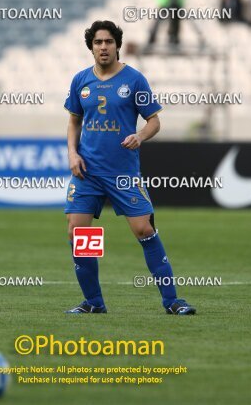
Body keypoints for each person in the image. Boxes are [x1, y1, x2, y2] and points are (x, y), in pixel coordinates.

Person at [64, 20, 196, 315]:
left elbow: (154, 121)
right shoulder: (80, 81)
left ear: (117, 45)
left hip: (123, 173)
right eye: (98, 42)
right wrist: (72, 153)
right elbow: (73, 121)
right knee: (78, 231)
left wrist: (140, 136)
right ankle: (94, 303)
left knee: (143, 229)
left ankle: (172, 301)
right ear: (91, 47)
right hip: (87, 172)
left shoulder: (134, 80)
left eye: (108, 42)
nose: (103, 47)